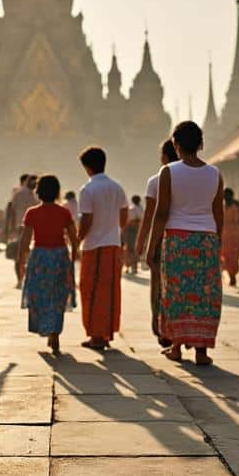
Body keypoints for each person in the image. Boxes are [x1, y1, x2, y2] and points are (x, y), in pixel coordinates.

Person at [147, 122, 222, 366]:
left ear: (176, 145)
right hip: (207, 239)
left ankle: (177, 347)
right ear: (200, 144)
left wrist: (152, 246)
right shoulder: (215, 174)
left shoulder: (168, 171)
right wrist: (215, 242)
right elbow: (217, 213)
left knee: (176, 293)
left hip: (177, 239)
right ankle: (201, 351)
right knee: (204, 294)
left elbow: (161, 213)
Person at [18, 174, 79, 354]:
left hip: (40, 258)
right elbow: (74, 239)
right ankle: (55, 333)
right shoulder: (64, 212)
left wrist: (22, 259)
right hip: (59, 257)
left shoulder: (32, 213)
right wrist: (73, 257)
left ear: (38, 192)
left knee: (41, 295)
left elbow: (25, 240)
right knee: (57, 296)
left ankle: (46, 328)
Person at [75, 147, 128, 350]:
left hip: (94, 246)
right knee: (110, 290)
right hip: (113, 244)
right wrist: (114, 230)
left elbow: (86, 219)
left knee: (91, 290)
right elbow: (124, 216)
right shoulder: (117, 187)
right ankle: (106, 332)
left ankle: (97, 335)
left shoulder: (88, 190)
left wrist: (78, 239)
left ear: (87, 167)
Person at [136, 140, 178, 347]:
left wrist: (142, 242)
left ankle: (161, 329)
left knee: (158, 286)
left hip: (162, 239)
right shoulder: (188, 177)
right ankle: (178, 331)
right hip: (183, 238)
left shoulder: (156, 180)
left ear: (164, 156)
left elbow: (151, 216)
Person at [7, 175, 39, 288]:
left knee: (20, 253)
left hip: (20, 226)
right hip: (34, 227)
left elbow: (11, 210)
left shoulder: (18, 194)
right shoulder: (35, 195)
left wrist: (11, 227)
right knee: (29, 253)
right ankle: (26, 277)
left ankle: (20, 278)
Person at [219, 188, 239, 287]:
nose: (226, 197)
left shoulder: (235, 206)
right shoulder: (220, 205)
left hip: (234, 235)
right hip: (224, 235)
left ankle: (232, 276)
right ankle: (230, 276)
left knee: (234, 257)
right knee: (224, 256)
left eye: (227, 195)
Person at [123, 195, 143, 274]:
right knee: (135, 248)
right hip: (139, 230)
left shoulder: (132, 209)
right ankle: (134, 267)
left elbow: (129, 220)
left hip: (131, 230)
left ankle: (128, 266)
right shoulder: (141, 209)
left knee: (129, 248)